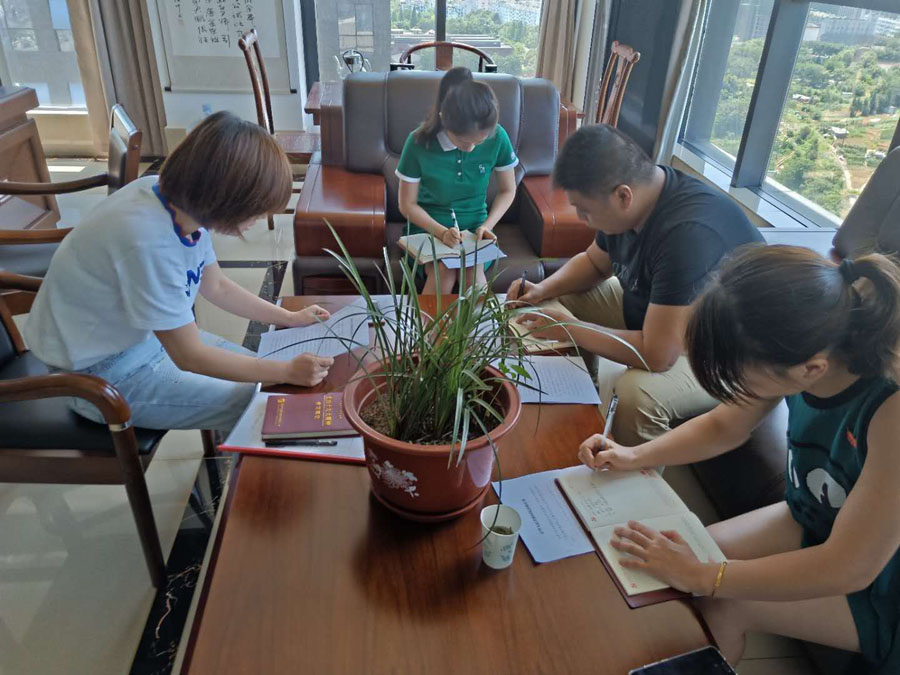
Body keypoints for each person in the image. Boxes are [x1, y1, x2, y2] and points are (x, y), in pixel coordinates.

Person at [577, 245, 900, 672]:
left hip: (882, 582)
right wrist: (633, 454)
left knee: (724, 601)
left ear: (811, 369)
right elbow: (723, 426)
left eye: (738, 376)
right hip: (816, 516)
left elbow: (850, 566)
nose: (734, 388)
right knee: (693, 546)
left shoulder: (889, 411)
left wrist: (705, 576)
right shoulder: (806, 350)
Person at [24, 111, 334, 432]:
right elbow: (190, 357)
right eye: (255, 210)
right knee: (266, 403)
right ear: (224, 197)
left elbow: (217, 286)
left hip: (145, 339)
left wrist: (289, 318)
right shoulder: (147, 242)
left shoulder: (170, 200)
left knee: (273, 381)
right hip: (98, 376)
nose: (257, 219)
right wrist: (285, 371)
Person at [510, 124, 763, 446]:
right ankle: (579, 400)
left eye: (585, 210)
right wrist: (542, 289)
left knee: (635, 395)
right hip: (663, 312)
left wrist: (571, 329)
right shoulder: (638, 200)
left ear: (623, 196)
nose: (581, 218)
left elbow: (658, 355)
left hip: (725, 350)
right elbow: (594, 263)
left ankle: (634, 469)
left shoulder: (687, 235)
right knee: (548, 304)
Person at [395, 66, 518, 293]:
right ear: (445, 121)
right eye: (463, 142)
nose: (471, 148)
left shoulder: (498, 136)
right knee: (443, 271)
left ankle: (484, 320)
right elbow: (407, 204)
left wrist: (486, 226)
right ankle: (427, 319)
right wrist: (442, 232)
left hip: (475, 231)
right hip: (427, 229)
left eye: (479, 141)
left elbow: (508, 190)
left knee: (473, 272)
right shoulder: (418, 142)